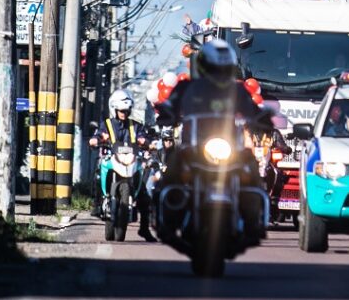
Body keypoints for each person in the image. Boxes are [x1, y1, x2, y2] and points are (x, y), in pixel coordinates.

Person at [153, 40, 273, 238]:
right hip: (195, 146)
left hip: (227, 146)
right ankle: (165, 216)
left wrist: (261, 119)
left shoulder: (237, 91)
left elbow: (252, 110)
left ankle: (255, 217)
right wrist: (167, 114)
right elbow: (171, 106)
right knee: (171, 170)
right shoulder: (187, 88)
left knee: (251, 168)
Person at [89, 89, 156, 242]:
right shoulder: (107, 124)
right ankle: (96, 203)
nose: (124, 114)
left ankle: (144, 228)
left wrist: (146, 142)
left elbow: (143, 136)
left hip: (131, 160)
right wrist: (97, 139)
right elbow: (98, 135)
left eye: (126, 111)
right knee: (98, 175)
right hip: (111, 159)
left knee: (144, 193)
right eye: (121, 111)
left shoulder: (135, 125)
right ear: (114, 109)